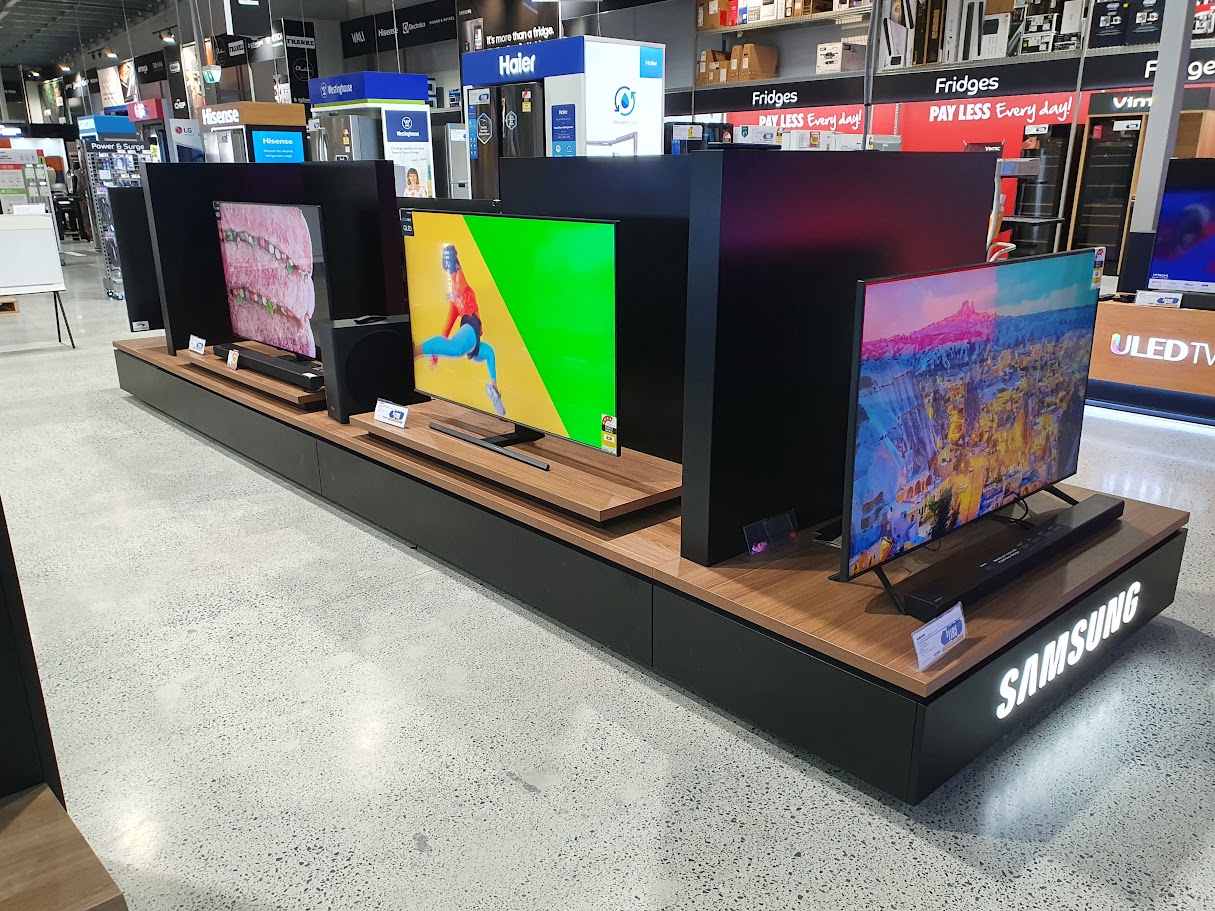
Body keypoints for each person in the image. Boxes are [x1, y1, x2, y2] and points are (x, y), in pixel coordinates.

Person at [413, 244, 504, 416]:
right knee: (461, 349)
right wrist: (435, 352)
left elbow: (459, 285)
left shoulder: (461, 280)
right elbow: (448, 324)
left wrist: (454, 285)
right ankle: (417, 350)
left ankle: (494, 387)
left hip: (472, 324)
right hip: (469, 327)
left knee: (486, 353)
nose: (450, 272)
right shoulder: (454, 298)